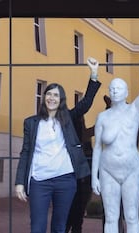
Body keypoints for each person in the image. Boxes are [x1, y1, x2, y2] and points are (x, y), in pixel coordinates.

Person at [15, 57, 101, 233]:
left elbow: (85, 104)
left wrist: (93, 74)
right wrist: (19, 182)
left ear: (61, 99)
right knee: (37, 227)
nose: (52, 98)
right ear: (44, 97)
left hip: (65, 180)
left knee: (59, 226)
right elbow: (25, 153)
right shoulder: (31, 123)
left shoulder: (67, 119)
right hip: (40, 181)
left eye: (56, 95)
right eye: (49, 94)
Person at [91, 48, 139, 233]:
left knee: (132, 215)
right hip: (107, 169)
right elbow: (97, 149)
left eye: (118, 88)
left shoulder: (134, 110)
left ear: (126, 92)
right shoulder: (102, 117)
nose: (114, 91)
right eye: (112, 88)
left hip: (131, 169)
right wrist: (93, 176)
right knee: (111, 217)